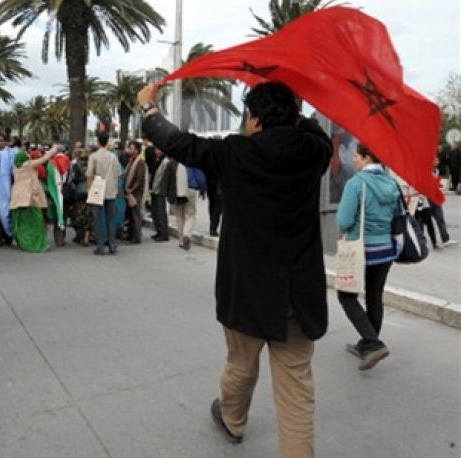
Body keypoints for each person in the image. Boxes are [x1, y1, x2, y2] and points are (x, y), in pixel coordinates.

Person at [140, 81, 332, 458]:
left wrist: (148, 108)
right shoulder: (314, 151)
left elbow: (179, 142)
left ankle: (232, 420)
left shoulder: (234, 153)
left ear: (255, 119)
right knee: (297, 389)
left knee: (241, 365)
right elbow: (313, 128)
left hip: (247, 290)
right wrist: (296, 104)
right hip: (299, 292)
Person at [336, 144, 403, 371]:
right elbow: (398, 220)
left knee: (346, 295)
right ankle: (367, 344)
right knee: (374, 297)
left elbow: (344, 221)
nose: (354, 159)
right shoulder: (392, 183)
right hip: (385, 249)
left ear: (366, 158)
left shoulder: (356, 184)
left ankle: (373, 343)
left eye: (356, 155)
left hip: (359, 250)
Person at [9, 145, 57, 252]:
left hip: (17, 199)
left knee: (21, 223)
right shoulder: (28, 165)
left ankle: (23, 242)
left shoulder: (15, 168)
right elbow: (44, 158)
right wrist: (54, 149)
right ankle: (35, 243)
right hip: (30, 198)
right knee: (35, 221)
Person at [86, 131, 122, 255]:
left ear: (98, 141)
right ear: (107, 142)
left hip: (97, 190)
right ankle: (112, 245)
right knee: (110, 219)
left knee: (97, 219)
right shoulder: (113, 156)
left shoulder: (94, 156)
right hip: (111, 191)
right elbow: (118, 173)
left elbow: (89, 174)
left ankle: (100, 247)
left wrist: (90, 189)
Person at [160, 157, 196, 250]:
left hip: (175, 193)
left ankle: (181, 240)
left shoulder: (171, 163)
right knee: (190, 215)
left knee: (179, 216)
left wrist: (165, 194)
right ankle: (187, 234)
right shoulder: (192, 160)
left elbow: (165, 180)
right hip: (190, 191)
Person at [68, 148, 93, 246]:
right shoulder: (92, 166)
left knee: (77, 215)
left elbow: (72, 179)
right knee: (89, 215)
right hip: (90, 193)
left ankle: (79, 236)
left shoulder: (75, 166)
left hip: (79, 194)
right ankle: (86, 237)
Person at [124, 141, 147, 244]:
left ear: (137, 150)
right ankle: (130, 234)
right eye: (130, 148)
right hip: (129, 192)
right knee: (130, 215)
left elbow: (139, 179)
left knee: (136, 215)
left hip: (135, 193)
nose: (130, 150)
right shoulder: (131, 161)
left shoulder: (140, 162)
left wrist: (131, 189)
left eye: (132, 148)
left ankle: (137, 237)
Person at [148, 148, 170, 242]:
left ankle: (163, 233)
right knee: (155, 212)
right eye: (156, 149)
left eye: (158, 150)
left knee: (161, 212)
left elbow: (162, 178)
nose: (156, 151)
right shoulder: (157, 160)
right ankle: (158, 231)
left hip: (160, 190)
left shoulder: (165, 162)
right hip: (154, 189)